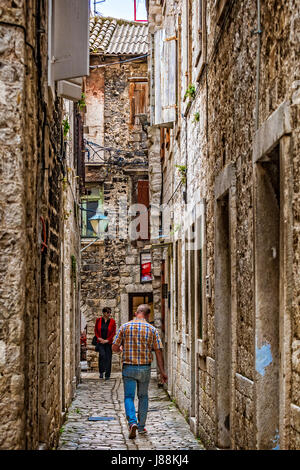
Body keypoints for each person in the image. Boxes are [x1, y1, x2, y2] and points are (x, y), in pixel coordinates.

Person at [112, 304, 167, 439]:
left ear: (136, 313)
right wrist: (162, 372)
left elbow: (114, 347)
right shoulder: (152, 329)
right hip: (145, 368)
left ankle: (132, 423)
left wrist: (120, 349)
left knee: (129, 397)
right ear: (148, 315)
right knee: (143, 396)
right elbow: (158, 351)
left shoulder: (124, 327)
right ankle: (141, 426)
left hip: (129, 367)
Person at [94, 307, 116, 380]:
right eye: (108, 312)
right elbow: (96, 330)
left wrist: (107, 340)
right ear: (104, 313)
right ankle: (101, 371)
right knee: (102, 356)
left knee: (108, 357)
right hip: (100, 342)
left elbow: (113, 332)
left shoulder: (112, 321)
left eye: (110, 312)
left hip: (108, 342)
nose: (109, 314)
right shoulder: (98, 320)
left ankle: (107, 374)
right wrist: (99, 338)